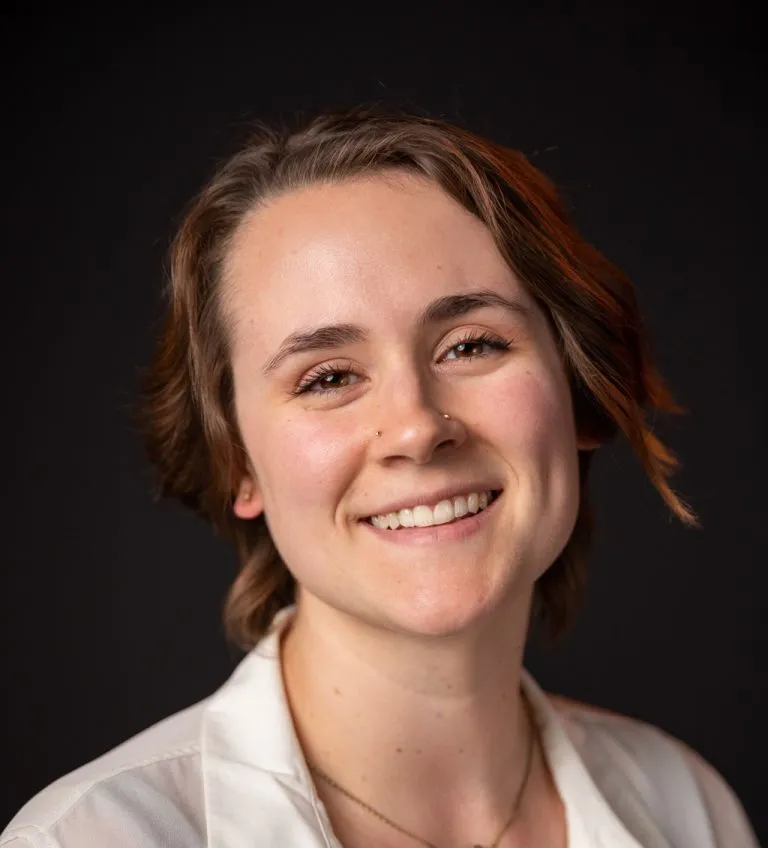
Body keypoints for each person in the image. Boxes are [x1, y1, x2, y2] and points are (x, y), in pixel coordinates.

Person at [1, 107, 759, 848]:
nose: (417, 427)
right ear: (236, 461)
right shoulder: (89, 838)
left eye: (471, 346)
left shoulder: (688, 809)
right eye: (328, 377)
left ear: (585, 393)